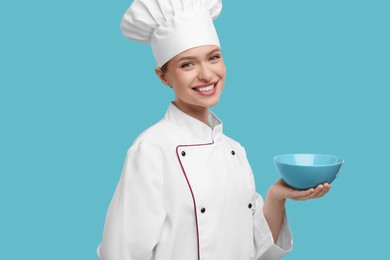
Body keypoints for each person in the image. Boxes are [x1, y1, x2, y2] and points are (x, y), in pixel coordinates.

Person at [97, 0, 331, 259]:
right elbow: (119, 253)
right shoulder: (151, 150)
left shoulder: (234, 150)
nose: (207, 74)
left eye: (214, 58)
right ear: (164, 77)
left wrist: (277, 197)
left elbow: (256, 250)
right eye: (188, 64)